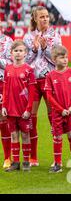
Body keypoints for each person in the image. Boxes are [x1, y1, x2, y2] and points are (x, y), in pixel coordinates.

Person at [23, 6, 62, 167]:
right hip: (32, 80)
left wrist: (45, 48)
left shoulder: (55, 35)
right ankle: (33, 157)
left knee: (53, 116)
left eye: (46, 16)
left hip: (49, 80)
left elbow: (57, 60)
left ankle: (57, 158)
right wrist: (33, 48)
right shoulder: (28, 37)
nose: (45, 19)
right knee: (31, 117)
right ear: (35, 19)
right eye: (42, 17)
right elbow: (24, 61)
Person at [44, 45, 71, 173]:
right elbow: (49, 96)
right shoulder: (50, 76)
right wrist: (60, 110)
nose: (65, 60)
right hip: (57, 113)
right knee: (57, 137)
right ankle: (57, 164)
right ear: (54, 59)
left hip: (70, 111)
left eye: (66, 57)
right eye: (62, 58)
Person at [2, 40, 37, 172]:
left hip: (23, 110)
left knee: (25, 135)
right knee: (14, 135)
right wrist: (4, 106)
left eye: (21, 51)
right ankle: (15, 162)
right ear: (11, 53)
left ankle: (26, 162)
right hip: (10, 109)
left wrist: (29, 109)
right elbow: (5, 89)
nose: (18, 53)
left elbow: (32, 92)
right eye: (15, 51)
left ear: (25, 53)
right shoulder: (8, 69)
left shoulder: (29, 70)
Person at [0, 29, 12, 168]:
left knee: (3, 120)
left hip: (2, 83)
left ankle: (7, 157)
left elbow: (11, 62)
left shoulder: (7, 41)